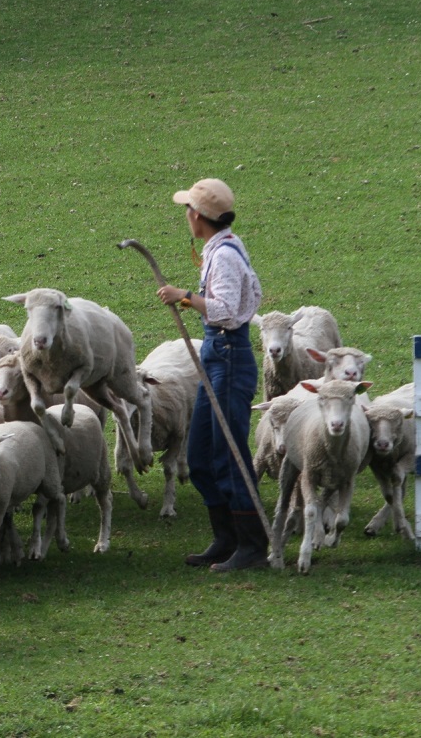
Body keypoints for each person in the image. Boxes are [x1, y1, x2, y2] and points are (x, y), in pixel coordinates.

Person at [156, 178, 268, 571]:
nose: (186, 215)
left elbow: (223, 310)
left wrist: (185, 297)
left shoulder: (224, 257)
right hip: (216, 356)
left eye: (188, 209)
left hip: (229, 356)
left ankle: (253, 544)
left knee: (229, 453)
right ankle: (226, 537)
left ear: (198, 216)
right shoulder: (218, 249)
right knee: (200, 453)